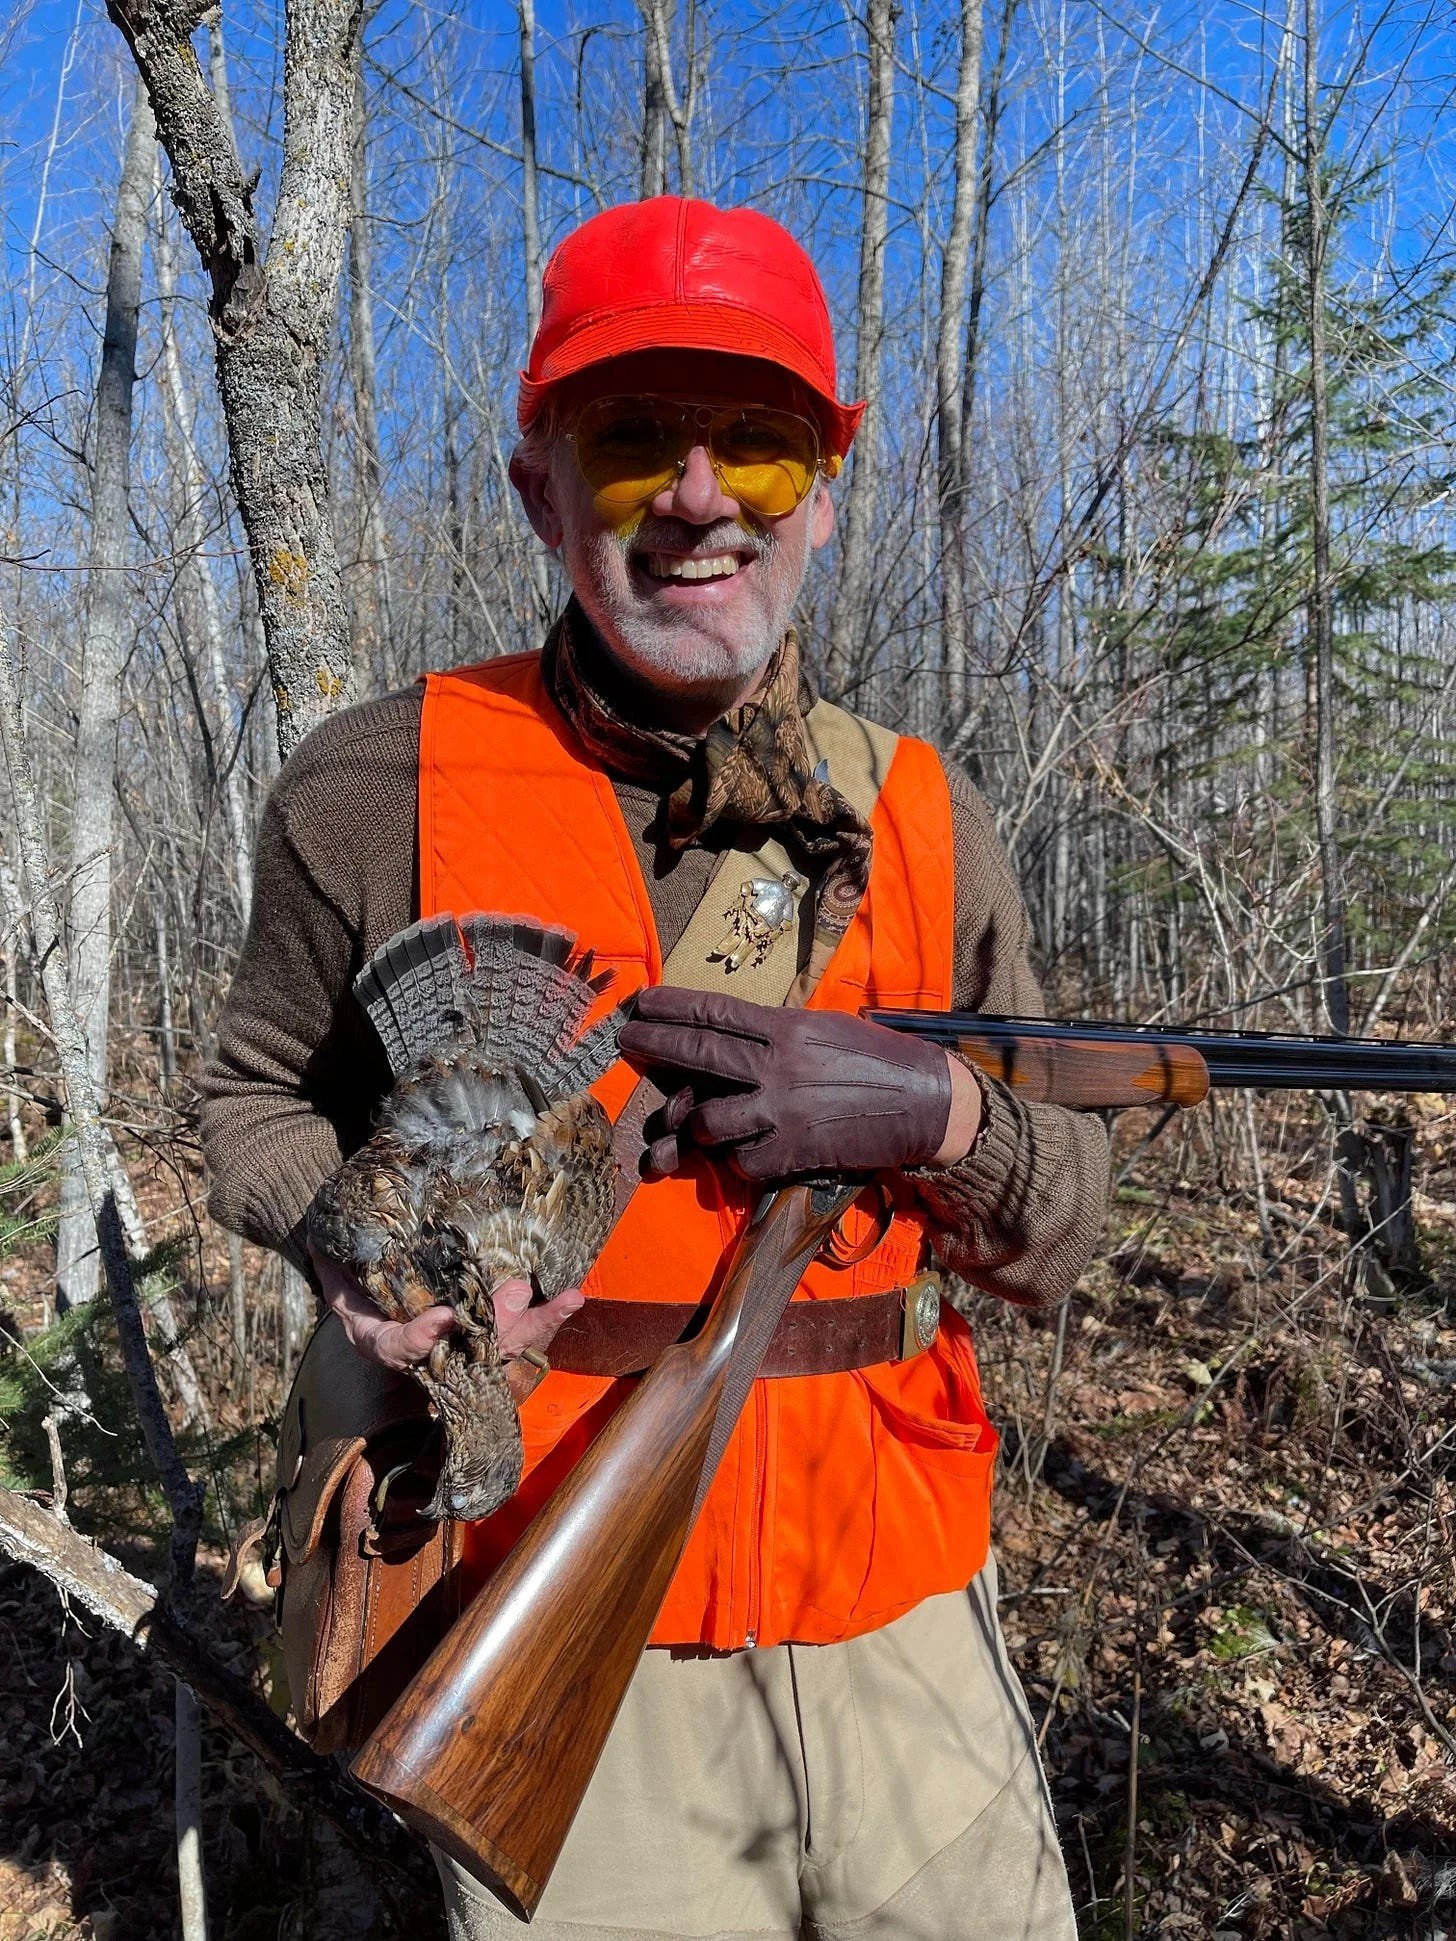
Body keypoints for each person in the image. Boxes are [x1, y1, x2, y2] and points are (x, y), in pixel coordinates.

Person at [201, 195, 1109, 1940]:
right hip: (565, 1641)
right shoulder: (373, 782)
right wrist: (348, 1240)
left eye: (758, 450)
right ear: (542, 485)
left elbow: (1066, 1213)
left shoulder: (924, 813)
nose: (701, 499)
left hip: (909, 1618)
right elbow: (243, 1096)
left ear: (826, 492)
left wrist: (940, 1117)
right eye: (633, 444)